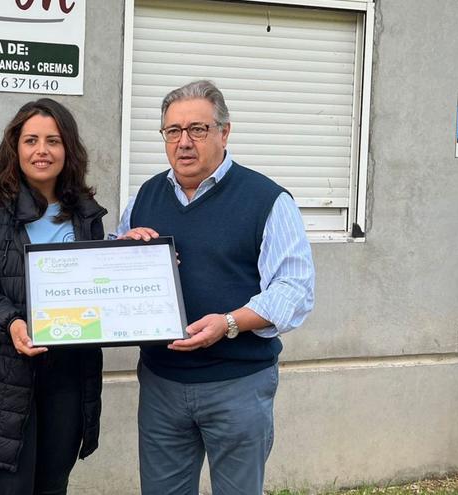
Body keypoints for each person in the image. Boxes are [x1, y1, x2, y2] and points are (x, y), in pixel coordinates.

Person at [117, 80, 315, 495]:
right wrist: (127, 256)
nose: (183, 142)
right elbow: (119, 283)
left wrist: (229, 322)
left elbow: (294, 290)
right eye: (173, 131)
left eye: (198, 130)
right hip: (161, 384)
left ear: (224, 132)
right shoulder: (143, 199)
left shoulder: (267, 200)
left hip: (237, 384)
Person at [0, 98, 106, 495]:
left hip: (69, 372)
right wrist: (11, 322)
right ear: (15, 148)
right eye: (31, 140)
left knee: (54, 485)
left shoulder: (87, 215)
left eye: (53, 140)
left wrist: (139, 254)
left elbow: (99, 284)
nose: (42, 150)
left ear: (67, 148)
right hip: (7, 373)